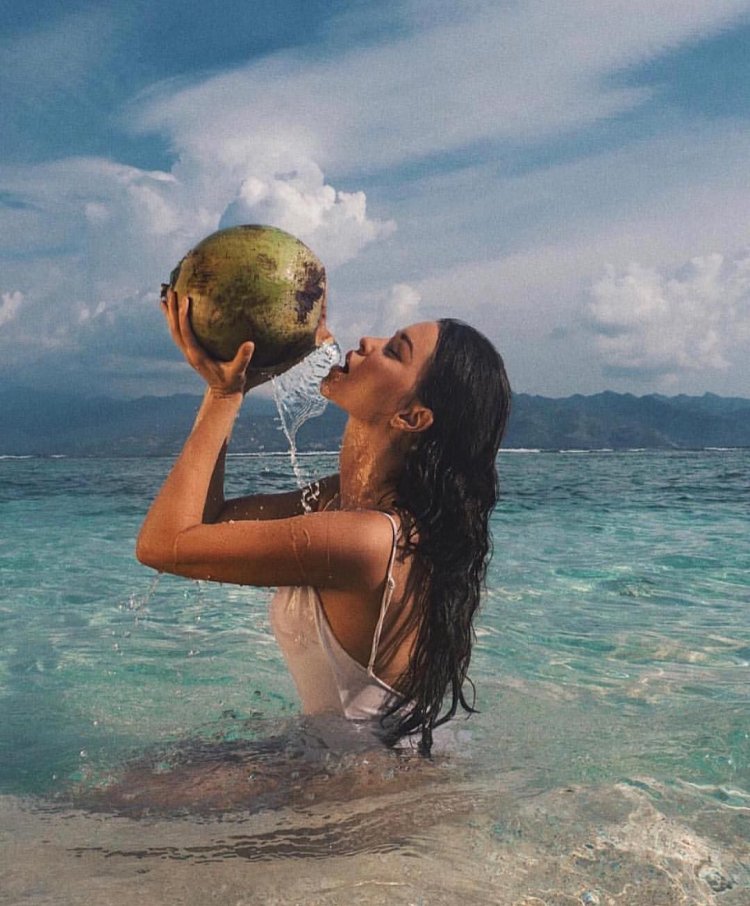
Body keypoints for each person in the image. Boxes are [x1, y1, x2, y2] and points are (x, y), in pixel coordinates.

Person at [137, 289, 511, 760]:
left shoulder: (370, 542)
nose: (368, 341)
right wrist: (238, 384)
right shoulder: (340, 501)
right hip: (347, 765)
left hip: (365, 795)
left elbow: (162, 544)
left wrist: (223, 394)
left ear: (412, 417)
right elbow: (206, 519)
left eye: (394, 351)